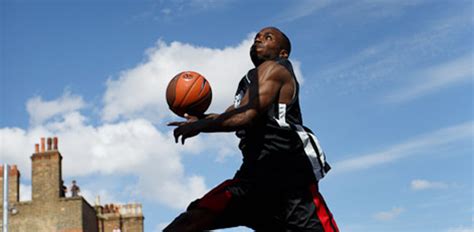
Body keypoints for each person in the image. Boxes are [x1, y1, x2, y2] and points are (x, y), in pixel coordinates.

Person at [166, 27, 339, 232]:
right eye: (257, 36)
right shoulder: (251, 80)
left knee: (191, 221)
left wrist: (200, 125)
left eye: (268, 37)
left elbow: (245, 116)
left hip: (288, 180)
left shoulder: (276, 68)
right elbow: (230, 114)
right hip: (254, 178)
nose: (259, 39)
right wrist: (200, 119)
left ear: (283, 52)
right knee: (190, 220)